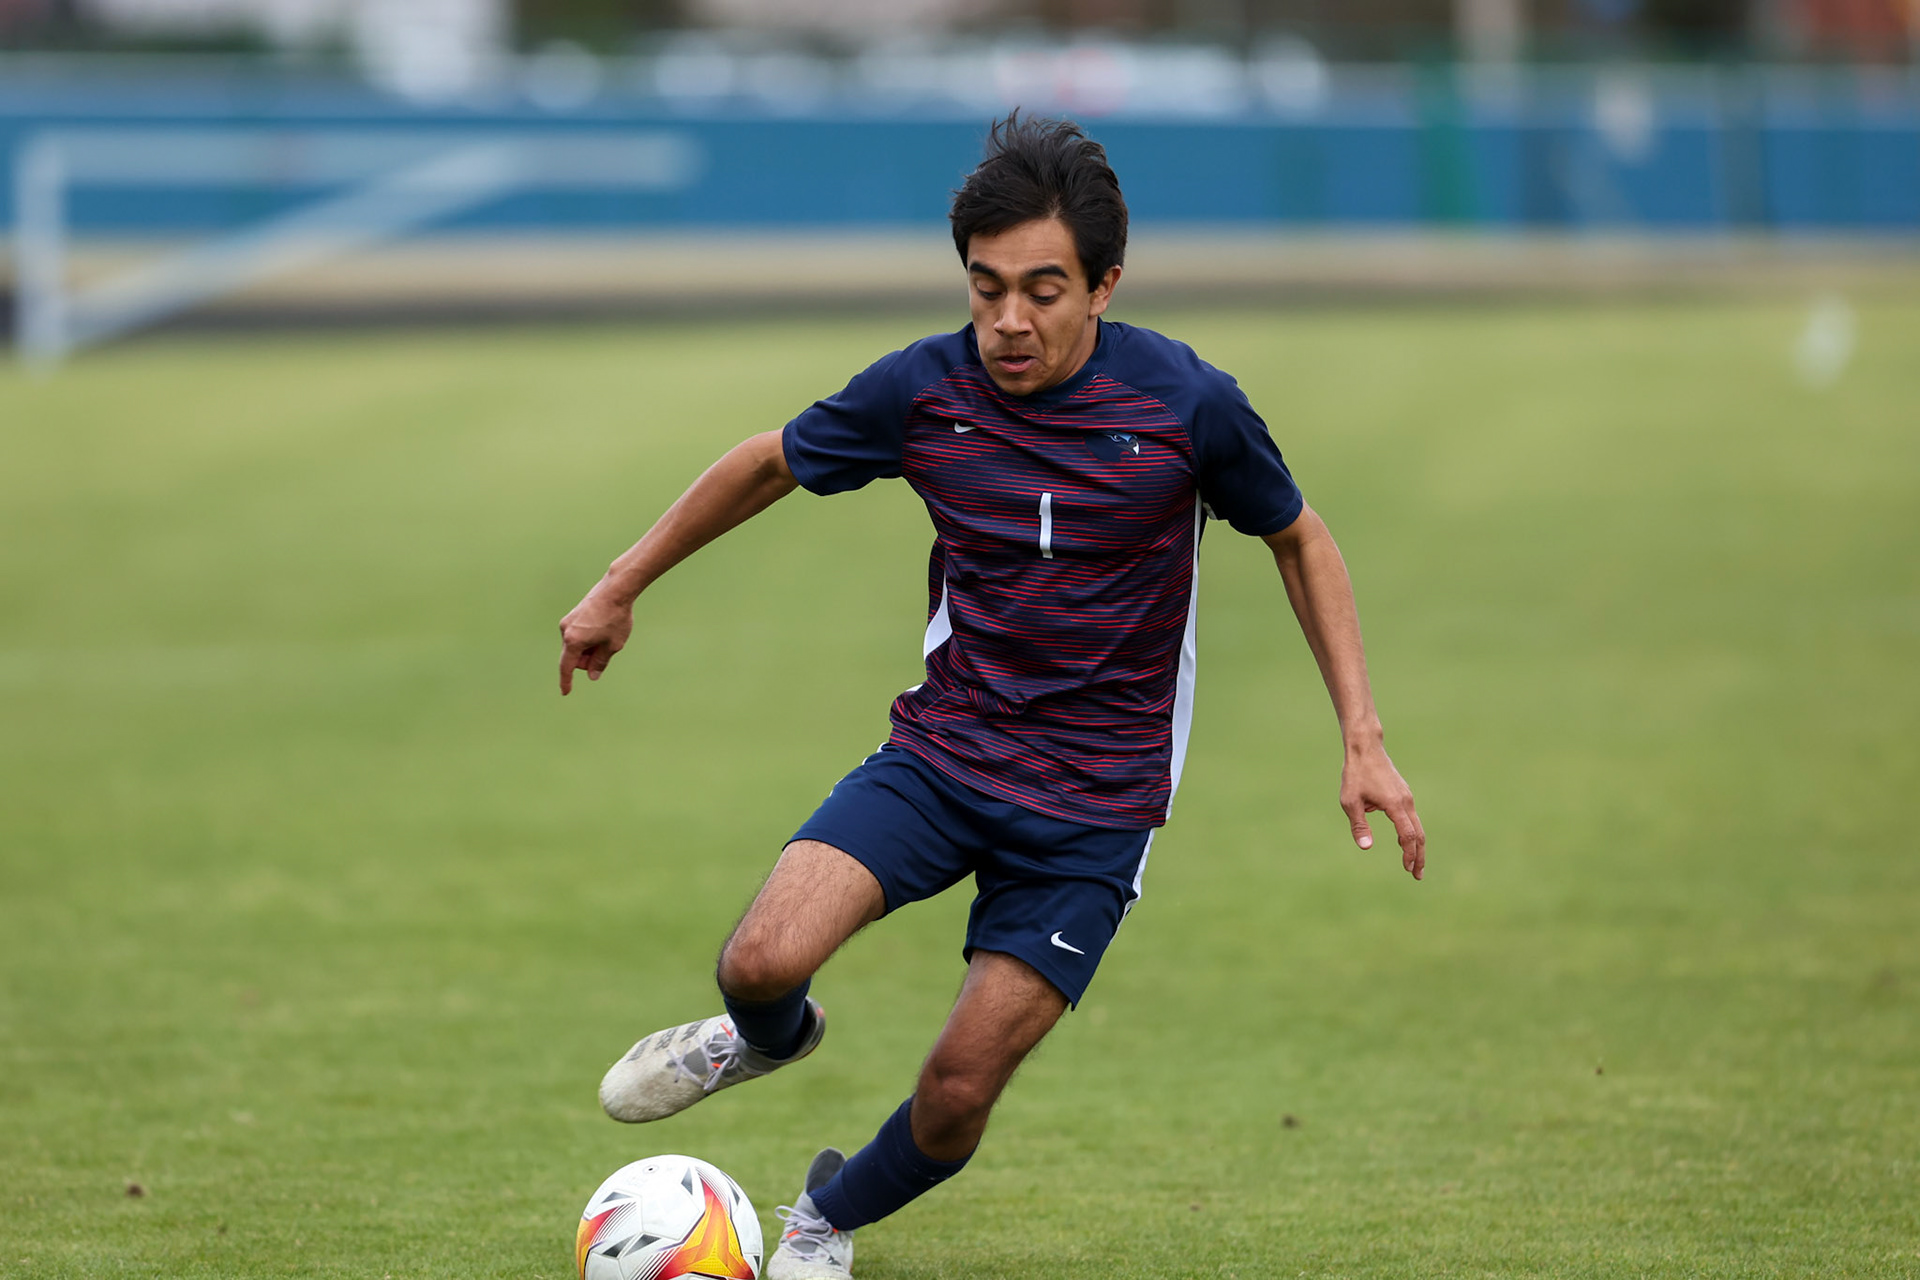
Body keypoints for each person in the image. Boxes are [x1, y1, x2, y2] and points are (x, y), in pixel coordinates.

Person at [557, 111, 1425, 1280]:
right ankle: (763, 1040)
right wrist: (619, 586)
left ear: (1105, 285)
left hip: (1094, 811)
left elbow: (1301, 537)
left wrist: (1360, 737)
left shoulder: (1187, 405)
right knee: (759, 958)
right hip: (946, 754)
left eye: (1043, 290)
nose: (1009, 321)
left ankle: (823, 1218)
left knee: (958, 1091)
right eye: (985, 288)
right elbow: (769, 460)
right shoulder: (924, 391)